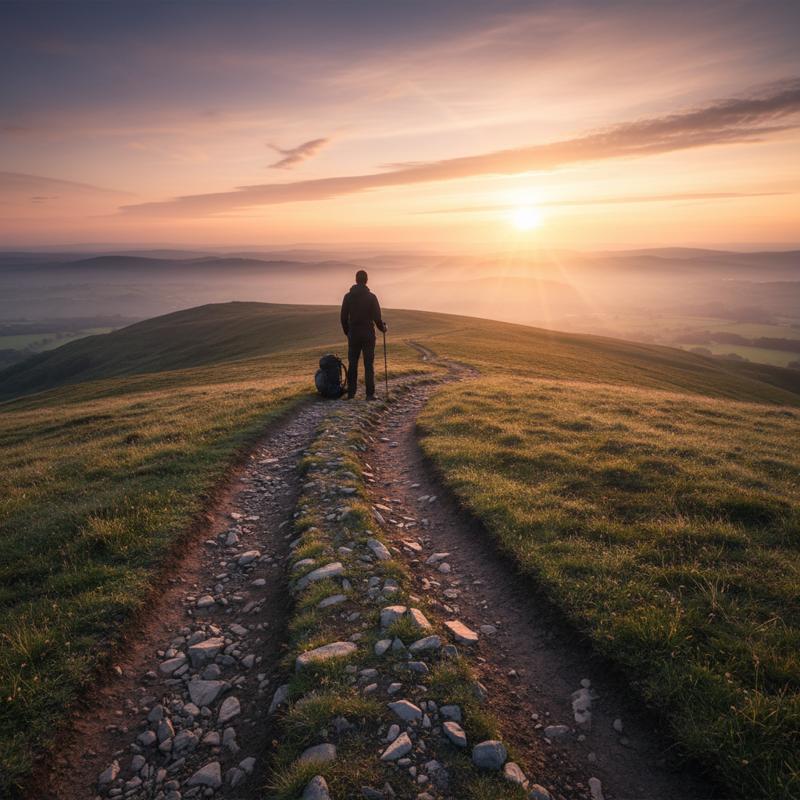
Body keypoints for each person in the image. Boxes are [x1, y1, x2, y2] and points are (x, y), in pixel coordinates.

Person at [340, 269, 386, 400]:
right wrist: (383, 328)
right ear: (366, 281)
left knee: (352, 364)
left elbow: (343, 317)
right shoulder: (371, 297)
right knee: (368, 365)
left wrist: (348, 332)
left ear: (356, 280)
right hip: (368, 335)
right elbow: (377, 319)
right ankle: (370, 394)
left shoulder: (348, 297)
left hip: (354, 334)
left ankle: (351, 393)